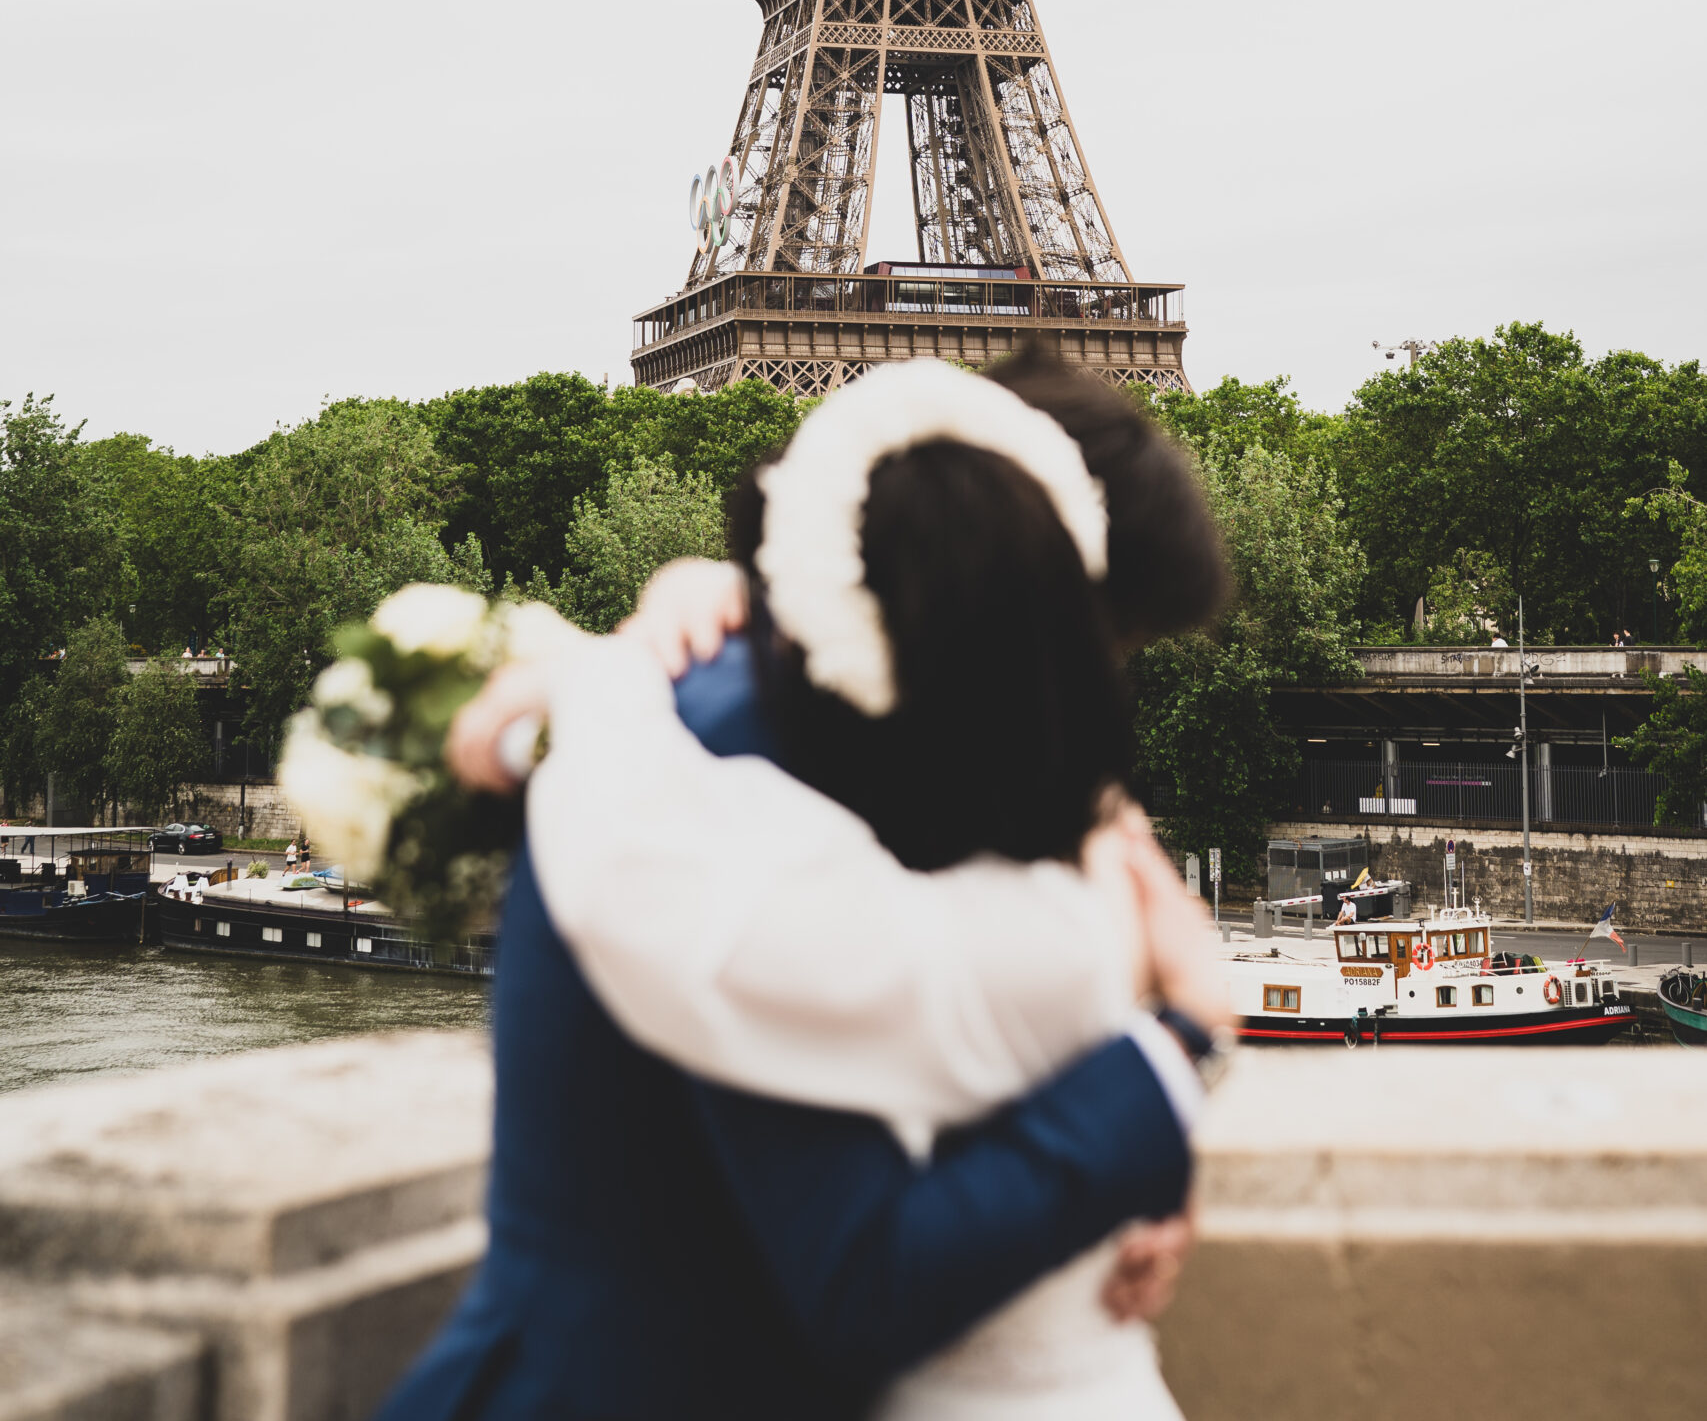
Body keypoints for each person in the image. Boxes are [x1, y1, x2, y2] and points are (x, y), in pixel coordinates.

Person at [383, 355, 1231, 1421]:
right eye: (1111, 644)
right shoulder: (753, 755)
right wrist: (1175, 1056)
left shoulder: (868, 745)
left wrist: (1140, 1162)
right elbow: (869, 1262)